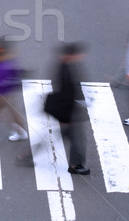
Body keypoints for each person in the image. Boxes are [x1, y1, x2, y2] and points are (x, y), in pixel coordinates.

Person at [46, 43, 90, 175]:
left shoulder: (66, 67)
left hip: (69, 111)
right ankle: (76, 165)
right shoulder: (66, 71)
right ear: (71, 55)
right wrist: (66, 117)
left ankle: (26, 156)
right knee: (78, 139)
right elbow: (65, 94)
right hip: (69, 113)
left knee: (62, 137)